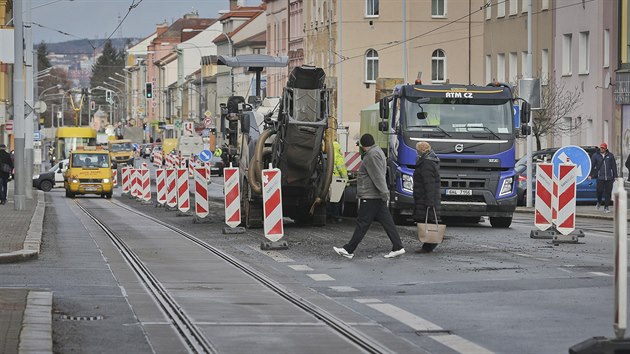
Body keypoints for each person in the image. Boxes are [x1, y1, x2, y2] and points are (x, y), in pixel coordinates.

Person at [333, 133, 405, 259]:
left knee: (362, 223)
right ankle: (398, 247)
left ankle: (348, 250)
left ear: (364, 145)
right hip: (376, 195)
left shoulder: (371, 155)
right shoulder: (378, 152)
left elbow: (377, 176)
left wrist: (384, 193)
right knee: (387, 223)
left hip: (371, 195)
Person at [412, 141, 441, 253]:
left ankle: (429, 245)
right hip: (426, 197)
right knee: (428, 220)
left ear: (420, 150)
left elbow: (429, 184)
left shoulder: (426, 164)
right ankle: (429, 245)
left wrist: (429, 202)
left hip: (426, 198)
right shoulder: (429, 161)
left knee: (429, 221)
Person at [588, 142, 617, 213]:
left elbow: (614, 166)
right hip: (600, 177)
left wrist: (615, 176)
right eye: (601, 147)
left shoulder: (610, 156)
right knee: (599, 191)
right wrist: (590, 174)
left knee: (608, 192)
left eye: (603, 148)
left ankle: (606, 207)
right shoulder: (595, 156)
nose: (602, 149)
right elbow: (591, 165)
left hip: (609, 178)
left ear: (606, 148)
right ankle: (599, 201)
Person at [328, 141, 348, 223]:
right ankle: (335, 216)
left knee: (329, 199)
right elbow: (341, 169)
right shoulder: (338, 157)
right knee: (336, 200)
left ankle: (329, 216)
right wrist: (346, 179)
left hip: (328, 180)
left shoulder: (328, 155)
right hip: (337, 180)